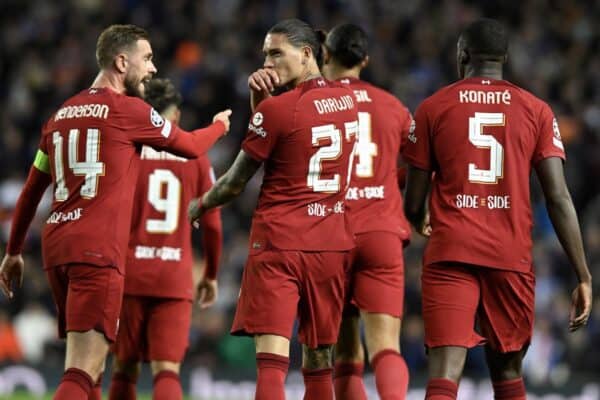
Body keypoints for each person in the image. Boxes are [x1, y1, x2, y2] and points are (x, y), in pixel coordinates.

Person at [0, 24, 231, 400]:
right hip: (97, 251)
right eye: (148, 58)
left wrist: (13, 252)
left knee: (92, 369)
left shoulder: (61, 115)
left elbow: (30, 192)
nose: (153, 68)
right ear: (122, 61)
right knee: (81, 371)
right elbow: (189, 145)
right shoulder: (128, 110)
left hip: (57, 249)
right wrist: (220, 126)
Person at [402, 18, 593, 400]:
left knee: (445, 372)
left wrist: (420, 216)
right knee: (507, 371)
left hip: (451, 252)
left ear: (462, 55)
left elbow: (412, 203)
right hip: (509, 255)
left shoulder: (432, 108)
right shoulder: (537, 111)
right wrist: (583, 274)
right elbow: (557, 196)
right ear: (504, 58)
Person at [188, 18, 358, 400]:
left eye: (276, 53)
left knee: (271, 362)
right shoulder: (348, 101)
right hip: (330, 245)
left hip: (279, 245)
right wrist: (262, 106)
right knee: (319, 362)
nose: (267, 63)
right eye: (265, 54)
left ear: (307, 53)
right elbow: (291, 136)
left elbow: (234, 183)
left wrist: (199, 205)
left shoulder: (278, 110)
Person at [108, 78, 223, 400]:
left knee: (124, 368)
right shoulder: (196, 158)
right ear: (174, 117)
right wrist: (211, 275)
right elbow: (212, 224)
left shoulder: (126, 152)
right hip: (174, 276)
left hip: (129, 274)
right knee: (167, 370)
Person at [321, 23, 412, 400]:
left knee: (343, 351)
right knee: (386, 347)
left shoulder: (312, 103)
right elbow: (420, 162)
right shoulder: (393, 106)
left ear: (325, 55)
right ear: (366, 60)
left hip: (328, 235)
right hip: (381, 234)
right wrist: (395, 183)